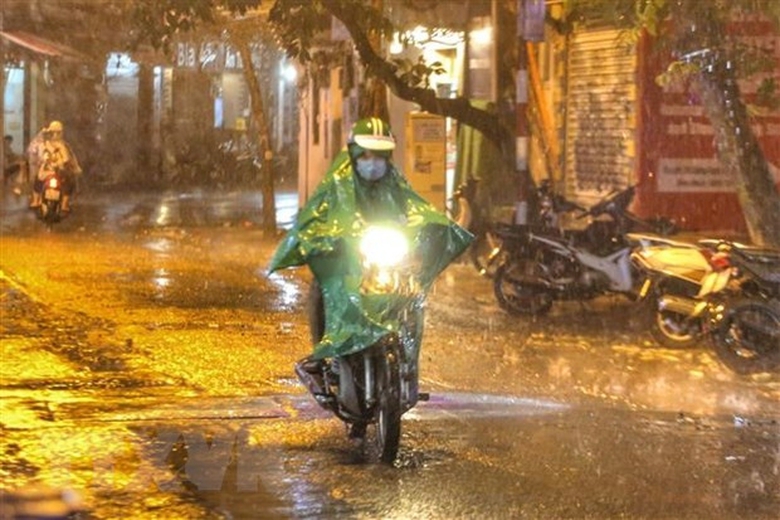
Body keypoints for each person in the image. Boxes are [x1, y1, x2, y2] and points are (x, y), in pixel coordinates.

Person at [268, 117, 473, 397]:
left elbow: (415, 208)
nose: (373, 162)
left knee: (411, 295)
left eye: (379, 155)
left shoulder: (395, 180)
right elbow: (314, 216)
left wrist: (430, 227)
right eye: (366, 154)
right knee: (321, 287)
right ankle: (320, 357)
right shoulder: (338, 182)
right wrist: (320, 237)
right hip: (348, 260)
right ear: (353, 152)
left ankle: (407, 364)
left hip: (384, 255)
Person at [30, 121, 82, 212]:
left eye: (57, 132)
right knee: (38, 179)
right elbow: (33, 152)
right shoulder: (44, 144)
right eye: (54, 132)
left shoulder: (62, 145)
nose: (55, 135)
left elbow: (69, 159)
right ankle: (61, 204)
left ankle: (61, 204)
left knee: (69, 181)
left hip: (54, 172)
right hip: (53, 171)